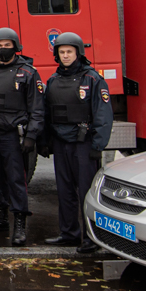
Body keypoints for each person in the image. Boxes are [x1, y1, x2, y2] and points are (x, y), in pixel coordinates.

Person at [39, 32, 112, 254]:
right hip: (61, 143)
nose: (66, 56)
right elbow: (47, 113)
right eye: (61, 52)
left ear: (78, 52)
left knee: (86, 193)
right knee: (65, 190)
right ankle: (69, 233)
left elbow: (103, 115)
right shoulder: (53, 80)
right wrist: (45, 141)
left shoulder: (92, 79)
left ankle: (91, 237)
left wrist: (98, 145)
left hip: (84, 143)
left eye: (69, 51)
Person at [0, 27, 41, 246]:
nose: (3, 49)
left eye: (8, 45)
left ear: (16, 46)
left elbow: (37, 108)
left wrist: (31, 136)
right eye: (0, 45)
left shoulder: (28, 73)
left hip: (14, 136)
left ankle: (20, 223)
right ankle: (1, 217)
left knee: (16, 180)